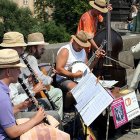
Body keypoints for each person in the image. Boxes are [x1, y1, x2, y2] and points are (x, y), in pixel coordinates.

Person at [0, 32, 61, 122]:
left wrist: (28, 83)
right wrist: (33, 91)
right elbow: (13, 103)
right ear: (11, 48)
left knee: (48, 105)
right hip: (15, 114)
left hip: (22, 105)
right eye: (20, 47)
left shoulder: (13, 64)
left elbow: (17, 90)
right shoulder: (6, 69)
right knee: (55, 115)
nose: (22, 50)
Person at [0, 49, 47, 139]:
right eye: (17, 69)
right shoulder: (2, 96)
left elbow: (3, 114)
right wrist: (35, 119)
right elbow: (13, 132)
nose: (20, 72)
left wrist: (20, 107)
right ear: (8, 72)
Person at [21, 32, 63, 119]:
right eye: (41, 48)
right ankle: (58, 119)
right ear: (33, 48)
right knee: (58, 92)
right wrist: (50, 79)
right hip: (29, 95)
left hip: (29, 91)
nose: (43, 51)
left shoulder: (24, 57)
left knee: (53, 89)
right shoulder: (30, 58)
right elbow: (40, 78)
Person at [56, 30, 101, 110]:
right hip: (64, 79)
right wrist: (74, 75)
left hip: (79, 78)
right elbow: (59, 70)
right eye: (79, 45)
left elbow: (87, 68)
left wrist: (96, 60)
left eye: (82, 45)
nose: (81, 47)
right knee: (75, 88)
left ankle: (90, 110)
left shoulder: (83, 51)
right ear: (74, 41)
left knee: (97, 84)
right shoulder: (65, 50)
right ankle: (66, 110)